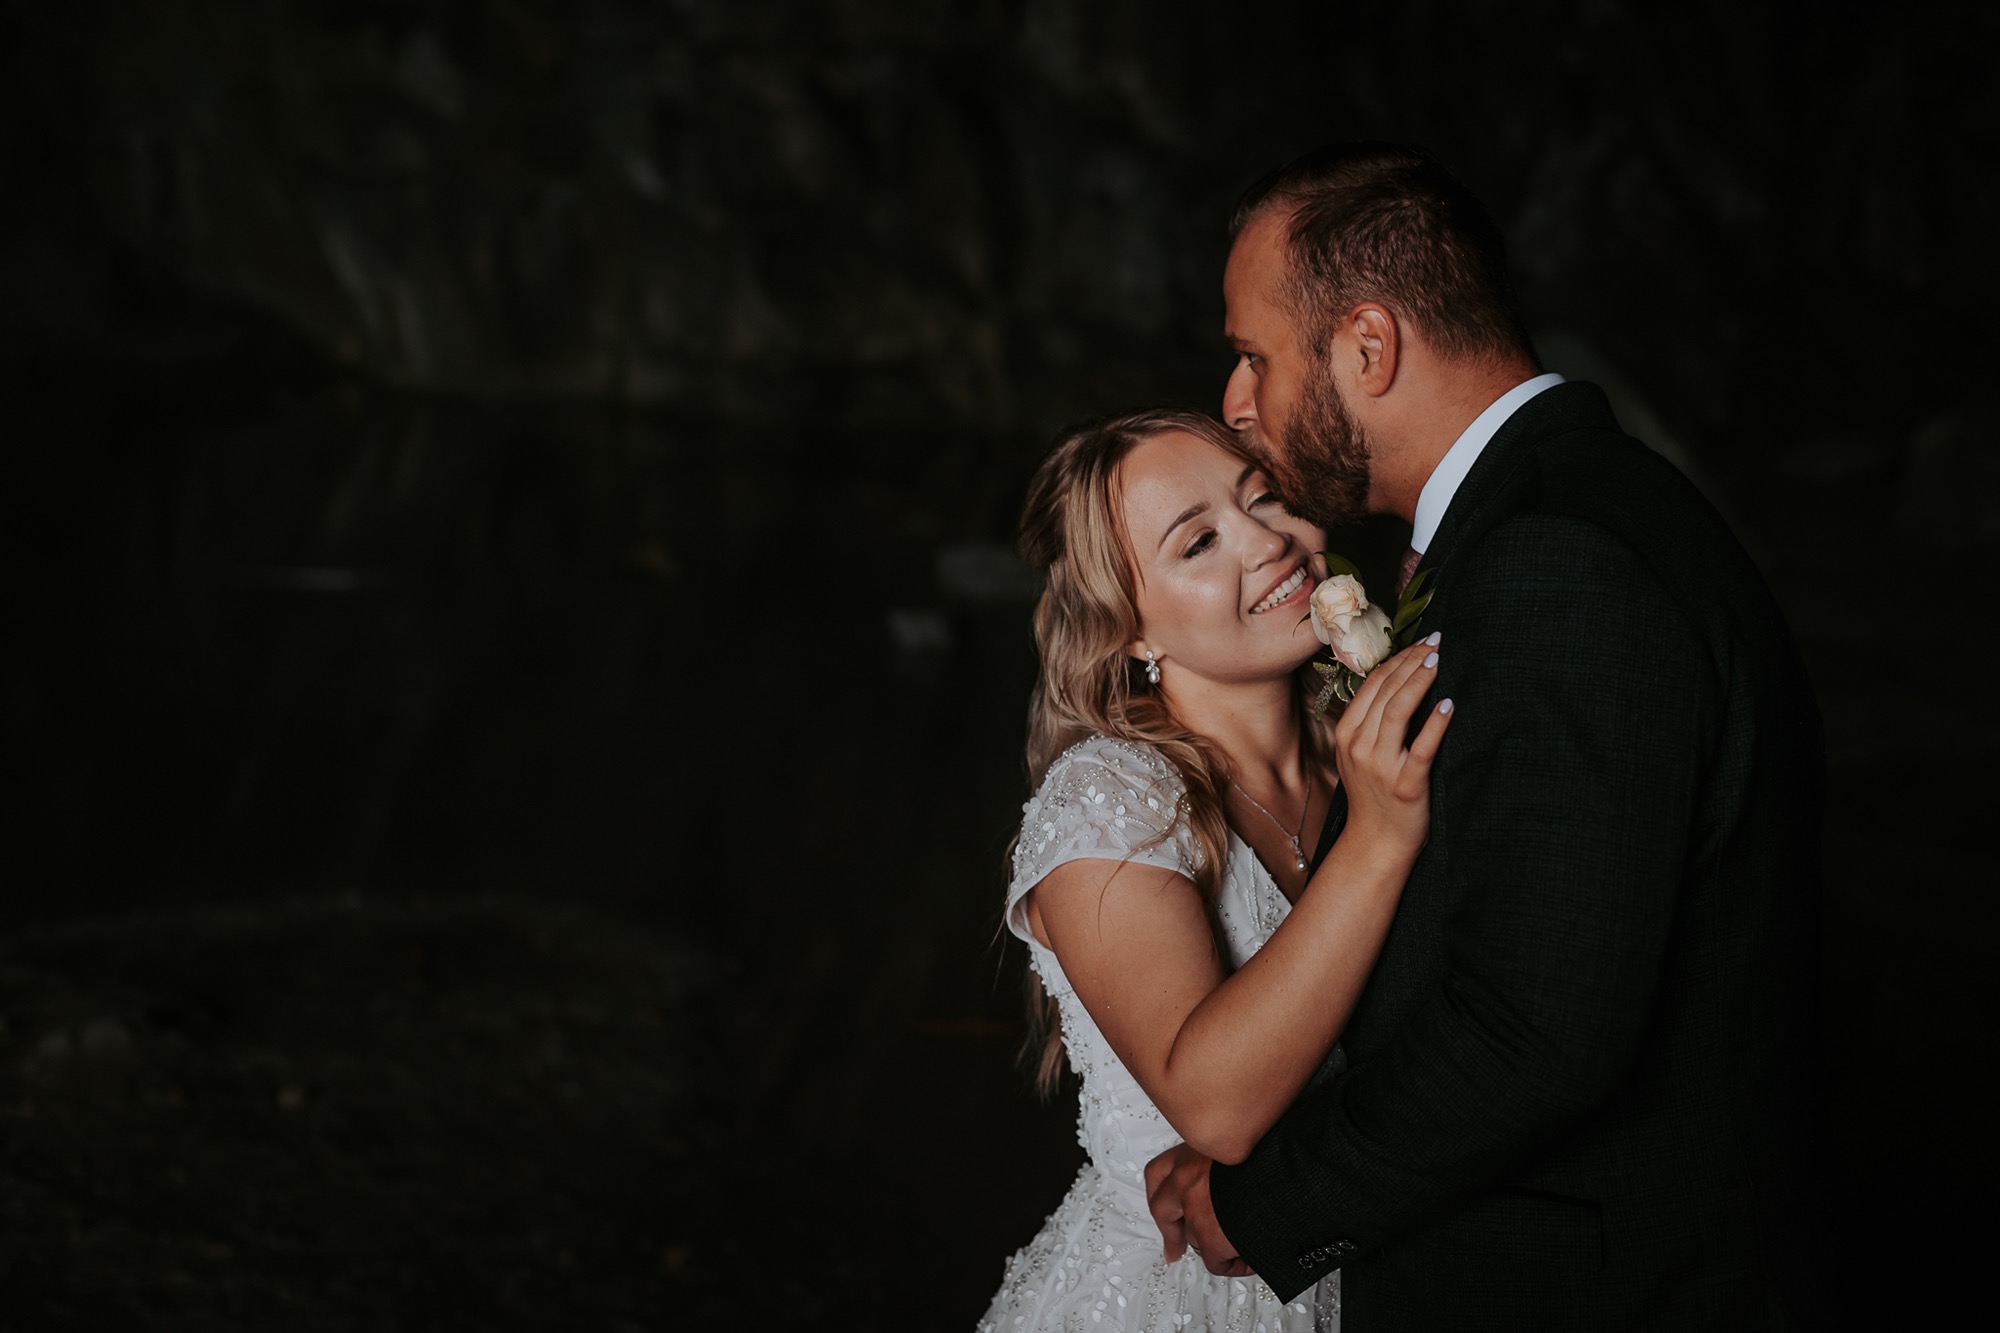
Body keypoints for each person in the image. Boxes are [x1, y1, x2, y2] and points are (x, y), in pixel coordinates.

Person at [1144, 142, 1827, 1328]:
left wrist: (1268, 1204)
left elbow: (1536, 1023)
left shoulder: (1558, 562)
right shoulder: (1560, 516)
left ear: (1367, 344)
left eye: (1253, 354)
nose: (1234, 403)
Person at [977, 408, 1454, 1332]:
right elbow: (1217, 1106)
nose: (1270, 542)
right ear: (1131, 633)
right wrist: (1383, 839)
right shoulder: (1109, 799)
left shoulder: (1358, 753)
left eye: (1264, 497)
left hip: (1381, 1272)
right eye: (1199, 542)